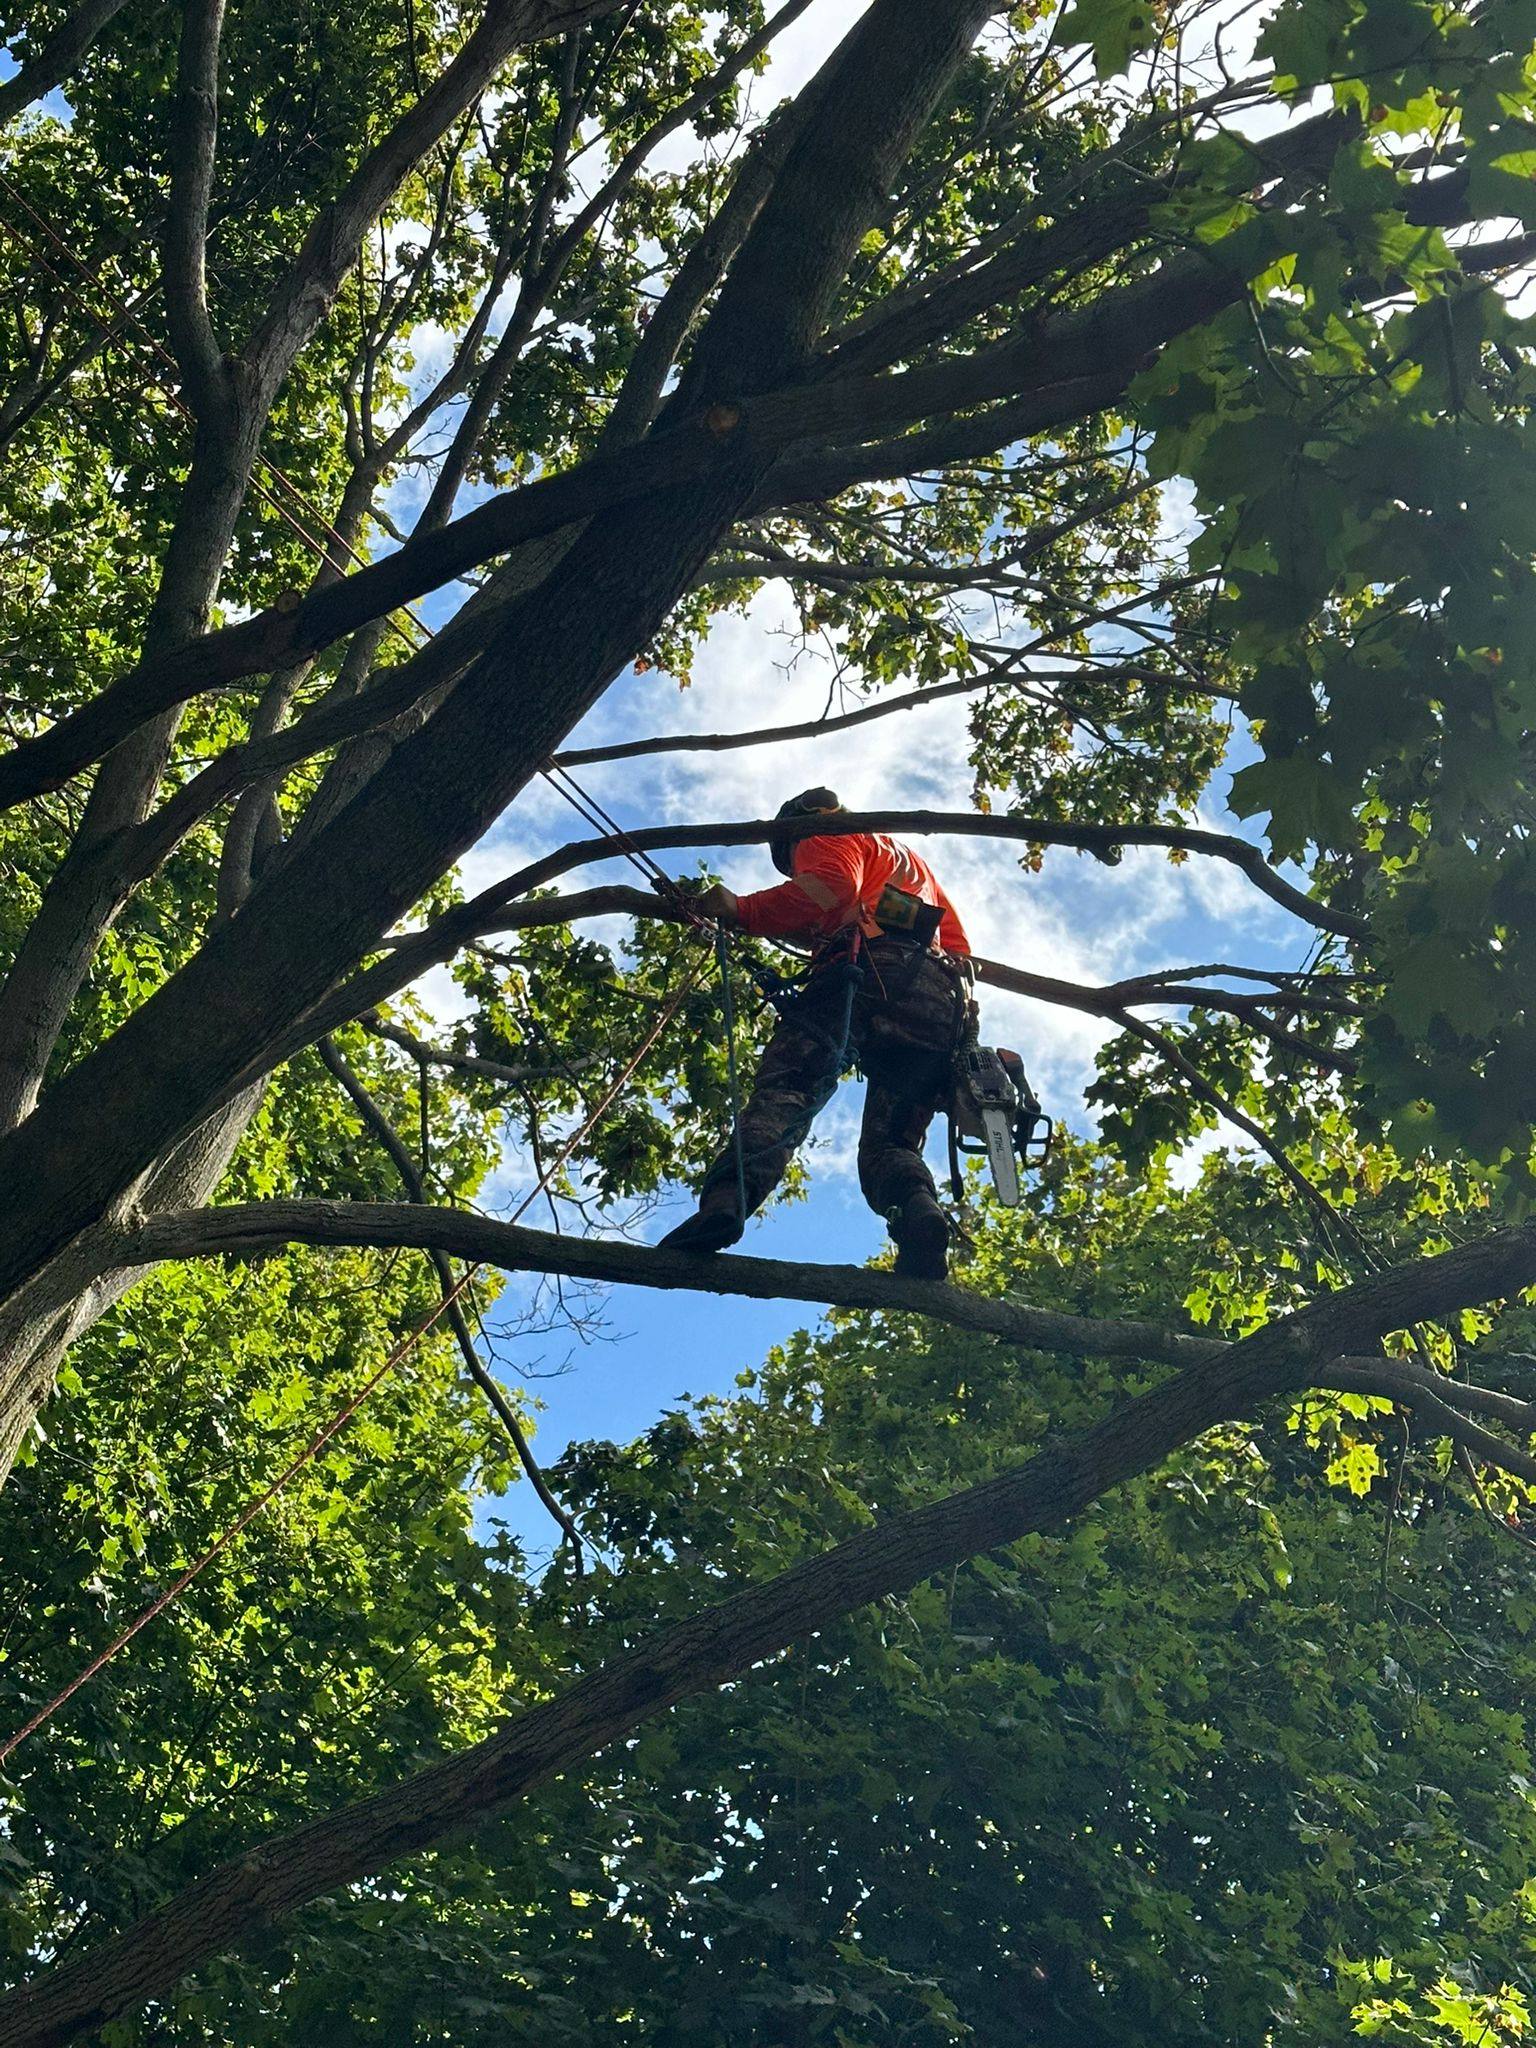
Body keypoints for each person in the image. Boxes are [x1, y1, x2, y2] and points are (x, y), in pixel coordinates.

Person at [660, 788, 972, 1280]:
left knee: (787, 1090)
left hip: (861, 973)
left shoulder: (822, 832)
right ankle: (917, 1216)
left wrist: (742, 910)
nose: (797, 865)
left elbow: (830, 887)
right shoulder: (910, 866)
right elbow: (958, 950)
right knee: (891, 1141)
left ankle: (725, 1202)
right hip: (936, 996)